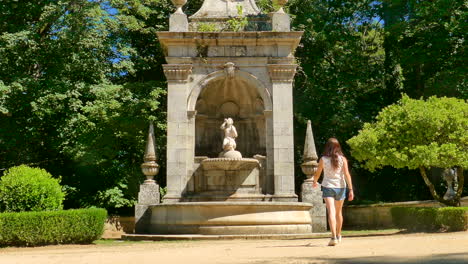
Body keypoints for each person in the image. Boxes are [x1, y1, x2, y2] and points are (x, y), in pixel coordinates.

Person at [313, 137, 354, 246]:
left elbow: (317, 173)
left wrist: (314, 181)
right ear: (338, 147)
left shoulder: (323, 159)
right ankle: (339, 235)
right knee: (338, 212)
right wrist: (351, 189)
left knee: (331, 212)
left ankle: (333, 237)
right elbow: (347, 175)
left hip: (327, 187)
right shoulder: (343, 159)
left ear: (327, 146)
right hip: (341, 187)